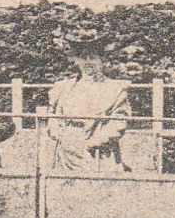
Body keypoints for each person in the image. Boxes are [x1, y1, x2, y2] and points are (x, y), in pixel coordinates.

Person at [46, 30, 132, 172]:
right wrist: (57, 133)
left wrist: (96, 142)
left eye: (92, 57)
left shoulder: (114, 89)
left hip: (97, 152)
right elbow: (52, 116)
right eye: (83, 57)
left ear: (101, 60)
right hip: (66, 151)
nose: (88, 62)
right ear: (76, 60)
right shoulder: (63, 87)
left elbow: (119, 122)